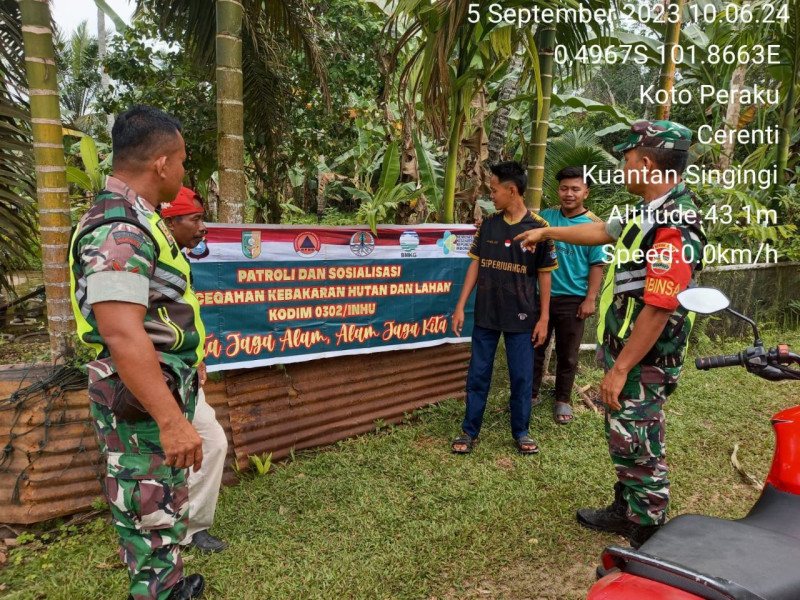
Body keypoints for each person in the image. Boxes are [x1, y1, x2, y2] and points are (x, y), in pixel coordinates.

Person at [514, 121, 707, 547]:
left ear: (646, 162)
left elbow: (659, 307)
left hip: (646, 359)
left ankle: (647, 526)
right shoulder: (648, 211)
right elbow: (601, 231)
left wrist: (620, 369)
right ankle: (627, 506)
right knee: (624, 433)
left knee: (640, 437)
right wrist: (546, 230)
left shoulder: (676, 224)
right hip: (629, 351)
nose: (622, 167)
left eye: (625, 159)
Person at [69, 105, 206, 600]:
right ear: (162, 164)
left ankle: (169, 586)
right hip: (140, 396)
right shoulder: (118, 230)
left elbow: (157, 312)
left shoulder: (138, 220)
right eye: (184, 161)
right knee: (148, 510)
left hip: (156, 388)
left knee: (162, 502)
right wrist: (171, 421)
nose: (184, 171)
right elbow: (124, 334)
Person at [451, 161, 558, 455]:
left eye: (495, 189)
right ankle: (469, 430)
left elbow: (545, 274)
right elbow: (476, 264)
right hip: (486, 313)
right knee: (478, 374)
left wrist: (544, 318)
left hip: (522, 315)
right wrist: (461, 306)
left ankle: (521, 432)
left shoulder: (540, 229)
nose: (491, 195)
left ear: (512, 190)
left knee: (521, 376)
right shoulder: (488, 224)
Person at [160, 188, 228, 554]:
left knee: (213, 443)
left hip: (184, 373)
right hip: (154, 378)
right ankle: (159, 535)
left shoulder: (176, 257)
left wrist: (197, 356)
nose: (203, 227)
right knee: (157, 462)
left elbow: (181, 319)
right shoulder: (144, 253)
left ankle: (193, 527)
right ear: (171, 222)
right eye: (195, 219)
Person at [533, 167, 605, 424]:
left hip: (573, 298)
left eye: (575, 189)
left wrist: (590, 298)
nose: (569, 194)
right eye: (564, 188)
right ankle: (529, 395)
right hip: (540, 296)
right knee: (535, 347)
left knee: (569, 352)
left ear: (586, 192)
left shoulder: (594, 226)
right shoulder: (547, 216)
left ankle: (562, 399)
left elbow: (597, 264)